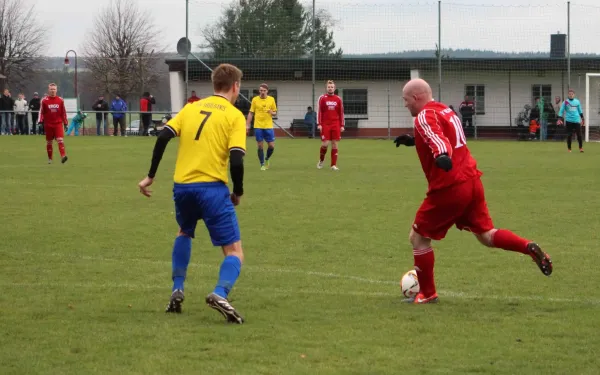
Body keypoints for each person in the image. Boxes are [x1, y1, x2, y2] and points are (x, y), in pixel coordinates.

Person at [393, 78, 552, 304]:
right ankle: (527, 247)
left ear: (416, 97)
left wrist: (440, 155)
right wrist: (414, 141)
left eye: (406, 100)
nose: (405, 104)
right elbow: (446, 135)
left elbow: (439, 141)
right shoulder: (445, 110)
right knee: (487, 235)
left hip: (450, 187)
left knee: (418, 238)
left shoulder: (423, 115)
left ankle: (427, 294)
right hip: (472, 180)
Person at [137, 63, 247, 324]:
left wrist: (151, 175)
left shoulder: (191, 108)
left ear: (213, 85)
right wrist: (238, 192)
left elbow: (163, 137)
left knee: (184, 231)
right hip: (212, 189)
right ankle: (220, 293)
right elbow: (237, 160)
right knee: (234, 252)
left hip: (183, 188)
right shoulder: (234, 116)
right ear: (235, 87)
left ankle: (177, 288)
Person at [246, 83, 277, 170]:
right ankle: (262, 164)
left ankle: (267, 158)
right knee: (260, 146)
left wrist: (272, 112)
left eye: (264, 90)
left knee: (271, 146)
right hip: (258, 126)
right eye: (261, 90)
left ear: (267, 91)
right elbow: (251, 112)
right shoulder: (255, 100)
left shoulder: (271, 99)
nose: (262, 92)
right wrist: (247, 124)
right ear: (259, 91)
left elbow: (275, 112)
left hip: (268, 126)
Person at [317, 80, 344, 170]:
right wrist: (319, 124)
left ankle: (333, 165)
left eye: (332, 87)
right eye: (329, 87)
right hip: (325, 124)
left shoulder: (338, 99)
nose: (330, 88)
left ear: (334, 88)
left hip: (335, 123)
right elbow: (319, 111)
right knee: (325, 144)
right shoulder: (322, 98)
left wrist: (342, 125)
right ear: (326, 88)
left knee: (334, 144)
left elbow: (341, 113)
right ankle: (321, 160)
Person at [38, 83, 68, 164]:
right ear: (48, 90)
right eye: (51, 89)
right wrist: (40, 121)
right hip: (48, 124)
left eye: (54, 89)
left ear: (56, 90)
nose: (52, 91)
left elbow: (63, 112)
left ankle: (63, 156)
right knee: (49, 142)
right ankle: (50, 159)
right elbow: (41, 112)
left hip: (58, 124)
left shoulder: (60, 100)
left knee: (60, 140)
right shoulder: (44, 100)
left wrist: (65, 123)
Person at [557, 89, 584, 153]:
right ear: (568, 95)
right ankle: (569, 149)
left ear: (574, 95)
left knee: (579, 135)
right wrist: (559, 118)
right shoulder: (565, 102)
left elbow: (580, 110)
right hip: (569, 121)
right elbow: (561, 110)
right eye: (569, 94)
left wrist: (582, 118)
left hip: (577, 121)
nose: (571, 95)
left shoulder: (577, 102)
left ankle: (581, 148)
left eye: (572, 94)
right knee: (569, 135)